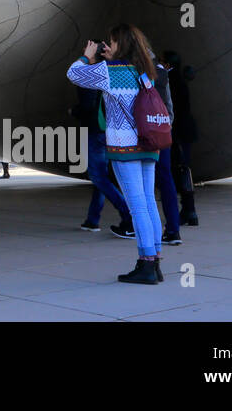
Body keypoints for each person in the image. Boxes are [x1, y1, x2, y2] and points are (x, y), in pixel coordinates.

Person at [67, 25, 164, 284]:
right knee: (149, 202)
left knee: (136, 206)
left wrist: (87, 56)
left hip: (125, 147)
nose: (107, 46)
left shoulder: (109, 72)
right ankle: (155, 263)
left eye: (111, 42)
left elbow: (74, 74)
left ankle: (146, 264)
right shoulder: (145, 72)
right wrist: (113, 59)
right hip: (148, 142)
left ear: (120, 44)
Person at [71, 80, 133, 237]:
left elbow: (87, 107)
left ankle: (127, 214)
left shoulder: (89, 78)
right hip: (111, 130)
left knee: (98, 177)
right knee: (101, 177)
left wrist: (73, 111)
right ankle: (92, 219)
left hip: (96, 131)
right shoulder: (110, 74)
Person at [163, 50, 198, 226]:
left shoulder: (169, 81)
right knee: (184, 169)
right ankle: (189, 209)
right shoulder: (181, 80)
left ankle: (188, 209)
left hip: (177, 131)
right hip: (186, 130)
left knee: (178, 170)